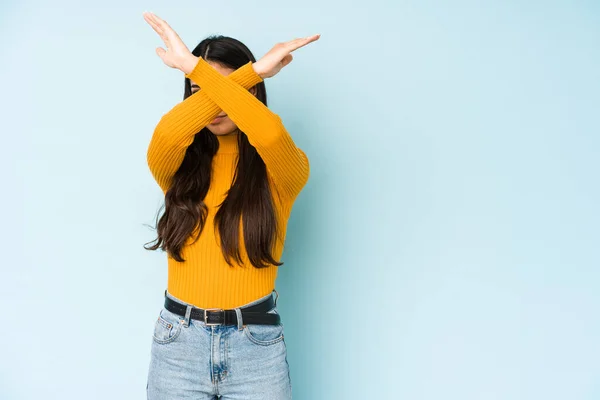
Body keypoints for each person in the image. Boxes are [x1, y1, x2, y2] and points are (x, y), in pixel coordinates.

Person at [141, 11, 319, 399]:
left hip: (256, 345)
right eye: (197, 91)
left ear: (253, 93)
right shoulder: (176, 165)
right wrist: (244, 73)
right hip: (178, 343)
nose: (213, 105)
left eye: (226, 90)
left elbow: (269, 134)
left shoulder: (283, 170)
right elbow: (169, 130)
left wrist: (199, 69)